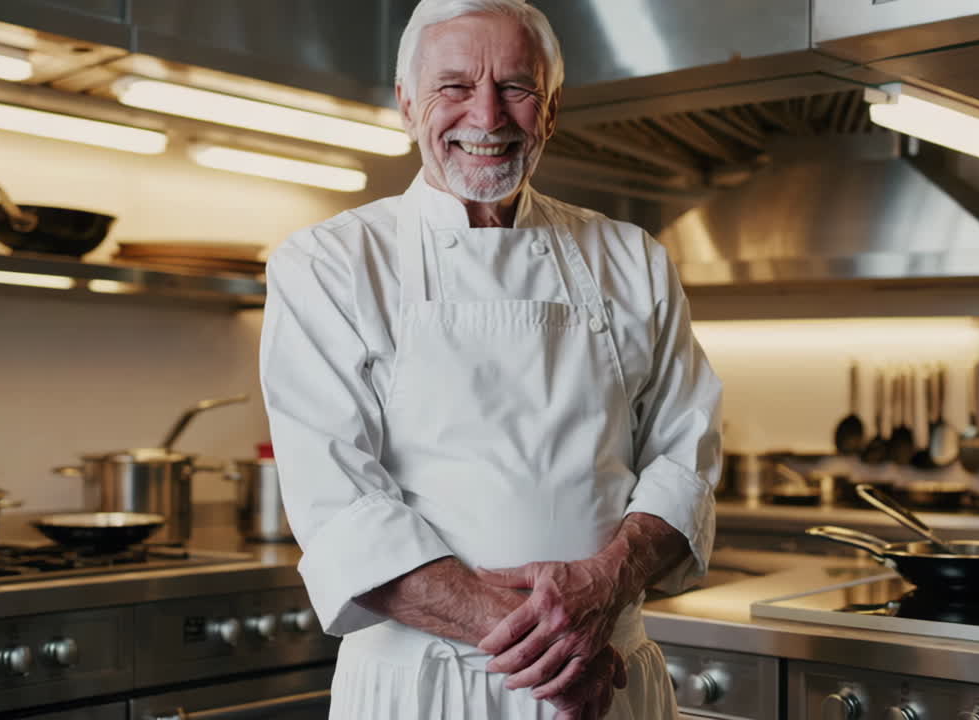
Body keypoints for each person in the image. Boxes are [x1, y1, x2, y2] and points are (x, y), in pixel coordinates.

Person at [259, 0, 722, 717]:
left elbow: (685, 465)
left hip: (608, 681)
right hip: (431, 688)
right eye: (454, 86)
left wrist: (602, 588)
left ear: (552, 106)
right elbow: (341, 506)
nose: (487, 115)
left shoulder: (633, 260)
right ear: (407, 101)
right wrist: (558, 647)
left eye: (516, 86)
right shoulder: (329, 264)